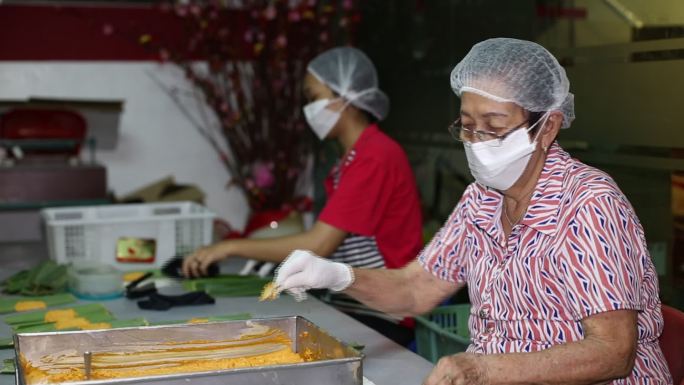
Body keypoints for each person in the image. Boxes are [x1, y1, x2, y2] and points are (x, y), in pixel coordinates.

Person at [273, 38, 672, 384]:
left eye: (494, 127)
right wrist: (336, 275)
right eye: (467, 126)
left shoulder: (588, 204)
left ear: (547, 128)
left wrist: (484, 370)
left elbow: (613, 352)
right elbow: (416, 290)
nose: (477, 142)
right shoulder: (482, 200)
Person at [182, 46, 423, 346]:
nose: (310, 109)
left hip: (384, 315)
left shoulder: (374, 156)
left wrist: (231, 247)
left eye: (314, 98)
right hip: (359, 304)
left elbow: (318, 244)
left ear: (344, 96)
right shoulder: (353, 158)